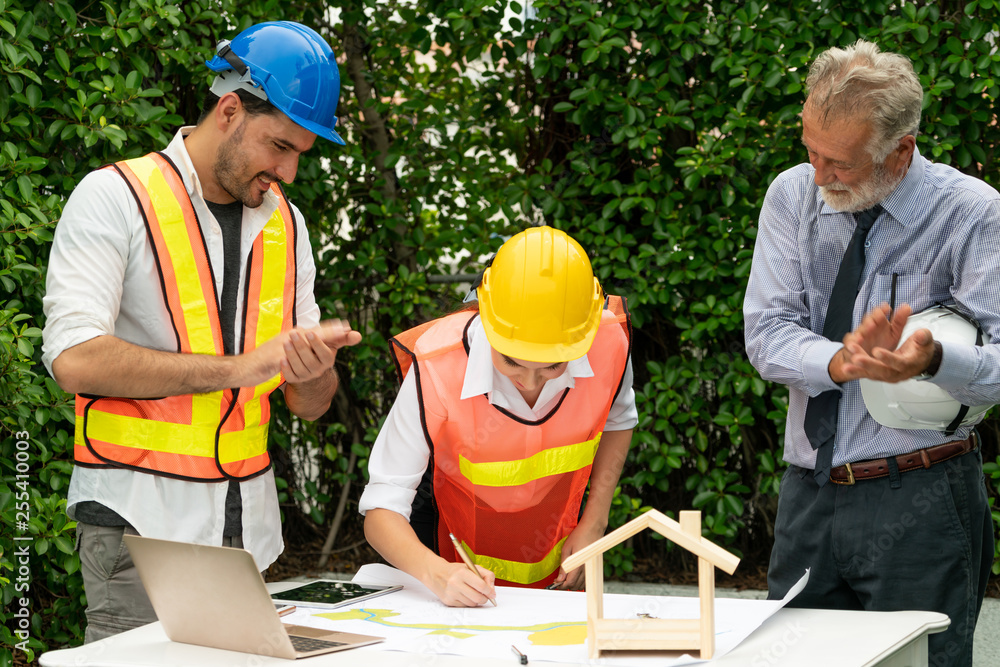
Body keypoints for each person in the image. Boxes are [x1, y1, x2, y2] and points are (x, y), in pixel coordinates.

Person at [41, 21, 360, 642]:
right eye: (279, 147)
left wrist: (314, 370)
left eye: (300, 154)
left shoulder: (288, 227)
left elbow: (309, 407)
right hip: (138, 531)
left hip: (246, 542)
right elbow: (74, 359)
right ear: (230, 109)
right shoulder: (114, 196)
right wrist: (241, 369)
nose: (288, 173)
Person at [744, 40, 998, 667]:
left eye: (841, 163)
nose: (819, 176)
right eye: (810, 151)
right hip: (808, 491)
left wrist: (933, 359)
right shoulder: (790, 194)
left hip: (923, 496)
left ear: (900, 150)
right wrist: (840, 362)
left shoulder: (973, 212)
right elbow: (766, 332)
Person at [359, 226, 637, 606]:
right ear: (486, 317)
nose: (528, 381)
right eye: (511, 360)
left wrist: (594, 524)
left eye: (553, 366)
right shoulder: (439, 364)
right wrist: (438, 573)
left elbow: (619, 422)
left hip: (555, 560)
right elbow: (381, 509)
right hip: (443, 546)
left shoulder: (607, 342)